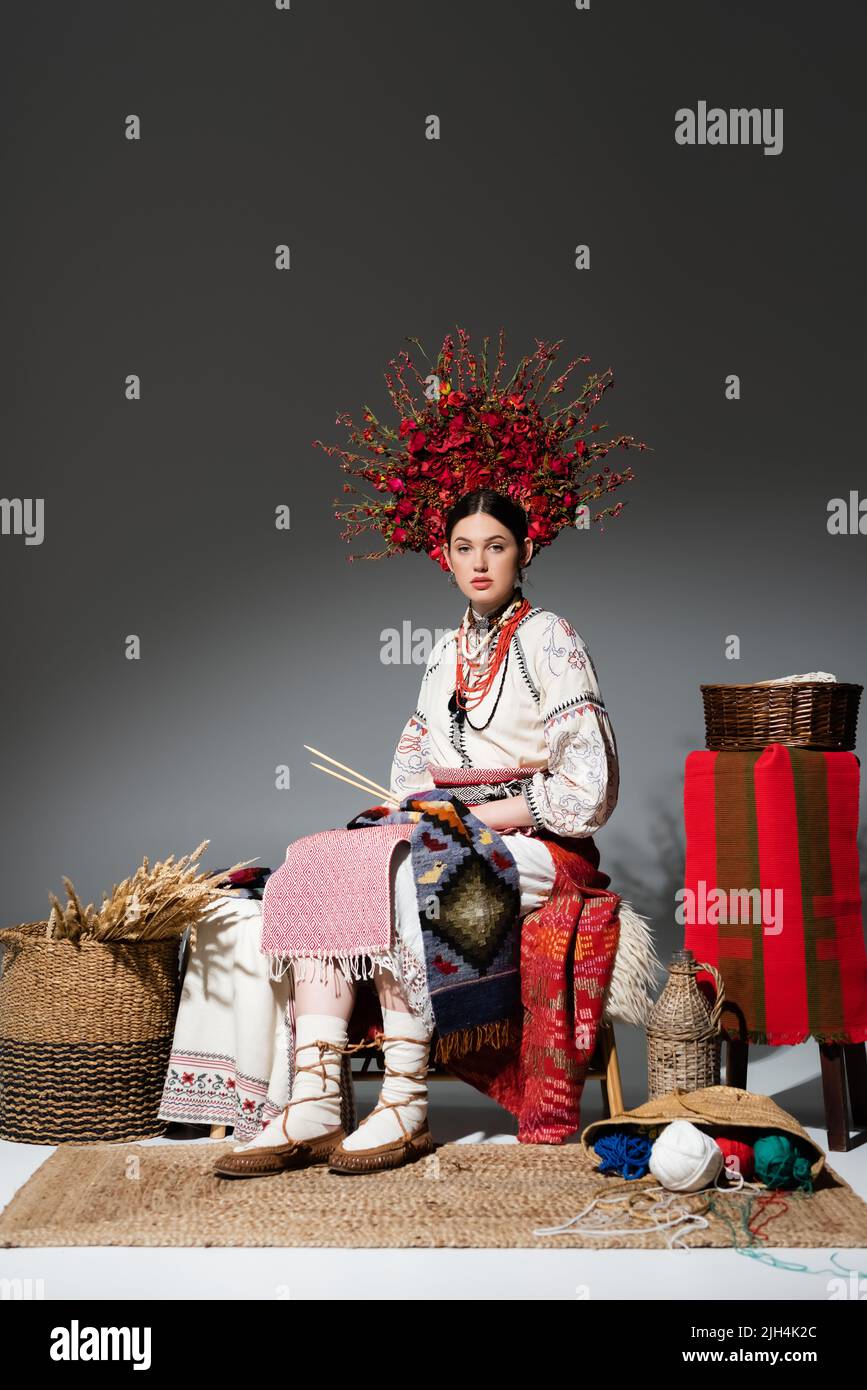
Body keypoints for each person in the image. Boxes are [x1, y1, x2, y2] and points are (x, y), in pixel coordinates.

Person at [214, 487, 619, 1178]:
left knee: (412, 871)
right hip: (451, 825)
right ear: (447, 559)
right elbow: (409, 767)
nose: (480, 562)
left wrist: (468, 816)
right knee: (320, 862)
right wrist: (423, 811)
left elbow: (588, 788)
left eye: (495, 546)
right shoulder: (442, 650)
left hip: (540, 843)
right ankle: (313, 1098)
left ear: (523, 551)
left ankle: (404, 1102)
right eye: (464, 549)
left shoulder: (549, 637)